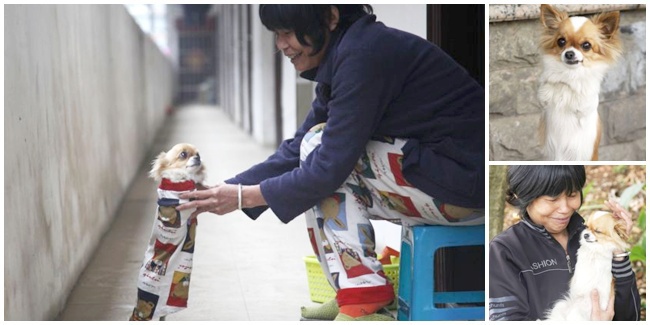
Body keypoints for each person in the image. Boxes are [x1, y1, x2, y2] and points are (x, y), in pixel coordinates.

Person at [178, 4, 485, 321]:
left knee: (320, 156)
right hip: (443, 183)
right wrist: (224, 190)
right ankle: (353, 292)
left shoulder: (365, 55)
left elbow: (325, 165)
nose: (281, 45)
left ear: (330, 17)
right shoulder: (348, 53)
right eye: (276, 34)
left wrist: (245, 197)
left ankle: (364, 295)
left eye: (287, 33)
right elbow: (295, 149)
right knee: (314, 153)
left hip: (470, 191)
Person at [489, 165, 641, 321]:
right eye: (553, 199)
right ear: (521, 196)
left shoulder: (592, 238)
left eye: (572, 194)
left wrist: (616, 245)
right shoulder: (505, 250)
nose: (565, 208)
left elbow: (630, 317)